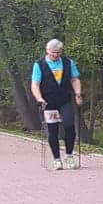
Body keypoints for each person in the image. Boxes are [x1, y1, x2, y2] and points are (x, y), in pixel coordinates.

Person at [30, 39, 83, 170]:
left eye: (58, 52)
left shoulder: (68, 62)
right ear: (47, 50)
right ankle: (57, 159)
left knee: (69, 125)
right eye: (53, 52)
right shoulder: (39, 65)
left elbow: (74, 79)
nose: (55, 55)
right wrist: (39, 98)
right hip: (48, 102)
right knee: (53, 130)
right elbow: (35, 84)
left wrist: (78, 94)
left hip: (65, 100)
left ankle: (69, 155)